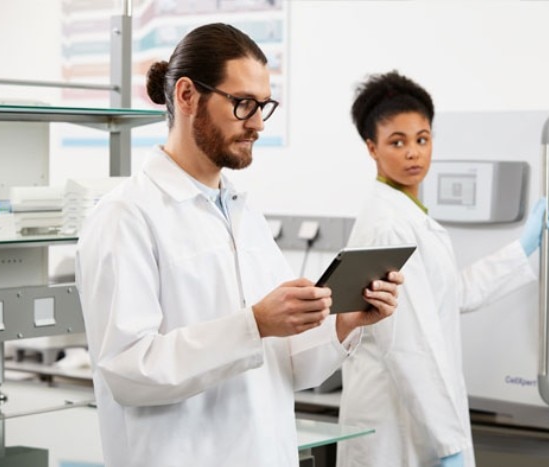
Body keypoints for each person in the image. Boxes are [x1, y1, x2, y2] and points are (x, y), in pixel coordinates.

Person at [75, 24, 403, 467]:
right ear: (187, 96)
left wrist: (343, 323)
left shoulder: (245, 216)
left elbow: (288, 366)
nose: (255, 124)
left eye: (263, 106)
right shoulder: (126, 216)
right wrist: (253, 325)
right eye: (243, 104)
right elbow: (128, 373)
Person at [335, 71, 549, 467]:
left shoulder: (409, 215)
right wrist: (447, 444)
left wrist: (523, 248)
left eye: (422, 139)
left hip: (416, 415)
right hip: (396, 422)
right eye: (397, 142)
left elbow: (451, 292)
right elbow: (407, 344)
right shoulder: (388, 225)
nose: (413, 154)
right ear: (372, 148)